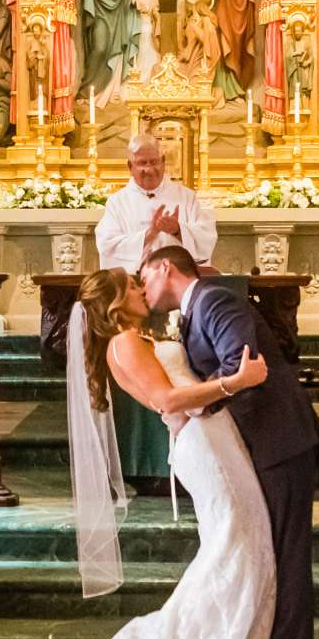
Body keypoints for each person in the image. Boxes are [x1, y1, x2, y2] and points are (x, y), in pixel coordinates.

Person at [0, 266, 275, 639]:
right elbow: (167, 399)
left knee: (246, 542)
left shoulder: (134, 337)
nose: (143, 289)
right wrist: (236, 382)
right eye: (134, 287)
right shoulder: (124, 344)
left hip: (212, 438)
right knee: (233, 548)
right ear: (117, 304)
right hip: (204, 444)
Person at [140, 244, 319, 639]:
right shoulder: (195, 308)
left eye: (145, 276)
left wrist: (194, 405)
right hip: (257, 440)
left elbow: (241, 368)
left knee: (288, 548)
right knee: (269, 547)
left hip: (278, 435)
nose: (143, 288)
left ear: (165, 268)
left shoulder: (216, 301)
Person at [94, 135, 217, 491]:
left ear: (165, 162)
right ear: (129, 166)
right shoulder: (117, 203)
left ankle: (192, 456)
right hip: (137, 301)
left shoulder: (185, 198)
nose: (149, 169)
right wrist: (148, 234)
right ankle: (143, 461)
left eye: (154, 162)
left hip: (180, 298)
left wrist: (177, 229)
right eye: (141, 163)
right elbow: (108, 247)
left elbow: (207, 238)